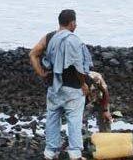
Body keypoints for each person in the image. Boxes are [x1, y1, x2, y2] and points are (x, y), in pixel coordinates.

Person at [29, 9, 93, 160]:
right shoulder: (74, 40)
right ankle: (75, 154)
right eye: (75, 22)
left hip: (53, 87)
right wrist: (83, 84)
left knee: (52, 119)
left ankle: (50, 153)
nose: (76, 25)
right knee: (74, 121)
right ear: (71, 23)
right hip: (73, 89)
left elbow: (32, 54)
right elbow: (78, 67)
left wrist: (41, 73)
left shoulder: (49, 37)